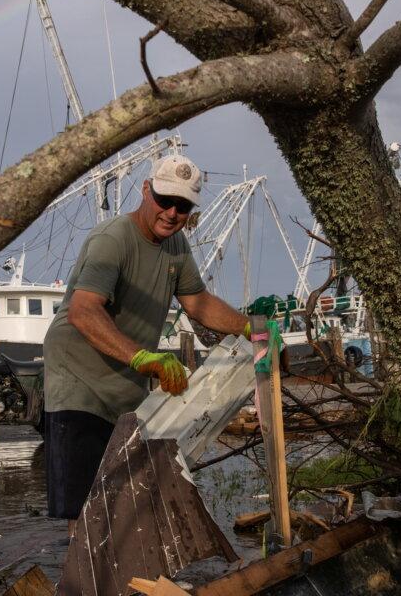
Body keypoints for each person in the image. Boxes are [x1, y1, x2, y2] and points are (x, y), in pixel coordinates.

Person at [42, 154, 250, 525]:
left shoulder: (177, 246)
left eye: (182, 206)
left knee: (125, 505)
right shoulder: (112, 239)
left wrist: (252, 327)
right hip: (78, 384)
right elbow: (83, 311)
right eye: (164, 200)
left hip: (124, 391)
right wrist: (144, 359)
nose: (171, 213)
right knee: (86, 512)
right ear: (145, 190)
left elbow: (198, 302)